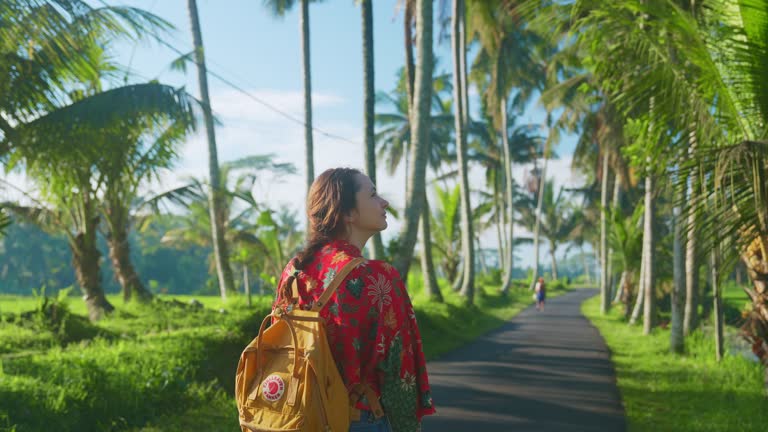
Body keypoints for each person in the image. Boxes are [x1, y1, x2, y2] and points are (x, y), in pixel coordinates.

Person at [271, 167, 435, 432]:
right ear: (347, 213)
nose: (384, 202)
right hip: (357, 419)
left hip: (300, 416)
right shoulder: (377, 277)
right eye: (372, 194)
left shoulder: (295, 269)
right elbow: (399, 373)